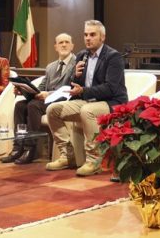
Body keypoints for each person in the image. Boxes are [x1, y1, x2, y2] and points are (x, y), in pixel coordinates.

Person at [45, 20, 128, 176]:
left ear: (102, 37)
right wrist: (75, 75)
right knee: (52, 110)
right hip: (87, 101)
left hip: (112, 102)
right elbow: (74, 86)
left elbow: (111, 88)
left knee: (86, 110)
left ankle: (94, 161)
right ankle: (67, 155)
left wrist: (83, 90)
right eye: (85, 35)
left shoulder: (113, 57)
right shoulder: (82, 55)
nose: (88, 38)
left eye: (92, 35)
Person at [1, 33, 76, 165]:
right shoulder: (51, 67)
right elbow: (41, 87)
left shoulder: (76, 64)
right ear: (55, 47)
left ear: (72, 46)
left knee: (33, 105)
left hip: (62, 101)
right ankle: (18, 147)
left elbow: (70, 88)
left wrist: (49, 94)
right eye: (61, 43)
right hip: (45, 100)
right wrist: (23, 90)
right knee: (20, 105)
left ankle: (30, 148)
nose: (64, 45)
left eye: (67, 42)